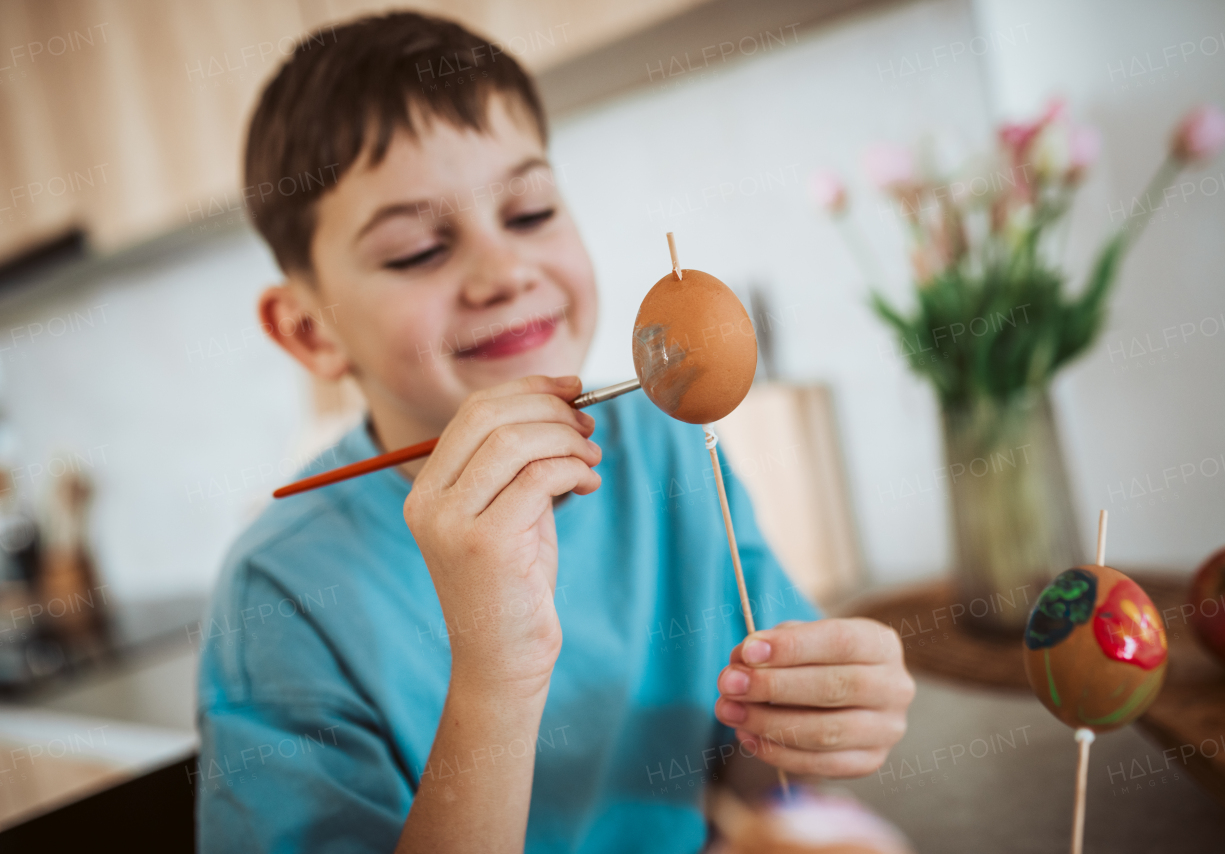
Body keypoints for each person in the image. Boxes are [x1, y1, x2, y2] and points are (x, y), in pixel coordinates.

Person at [196, 12, 914, 853]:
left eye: (531, 212)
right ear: (310, 332)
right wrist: (496, 675)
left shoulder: (663, 442)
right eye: (418, 250)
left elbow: (748, 769)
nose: (504, 273)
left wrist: (822, 722)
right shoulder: (281, 595)